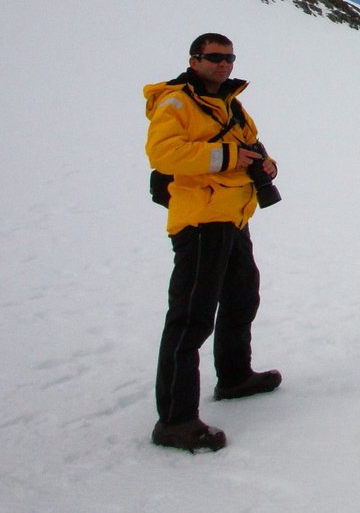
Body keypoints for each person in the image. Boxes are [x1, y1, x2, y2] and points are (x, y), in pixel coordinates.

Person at [143, 33, 282, 452]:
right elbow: (163, 154)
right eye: (214, 57)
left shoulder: (231, 103)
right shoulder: (175, 102)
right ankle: (175, 420)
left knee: (242, 298)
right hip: (201, 222)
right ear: (195, 60)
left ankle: (235, 377)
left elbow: (250, 144)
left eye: (229, 58)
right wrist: (227, 157)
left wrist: (267, 164)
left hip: (233, 217)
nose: (224, 65)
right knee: (191, 318)